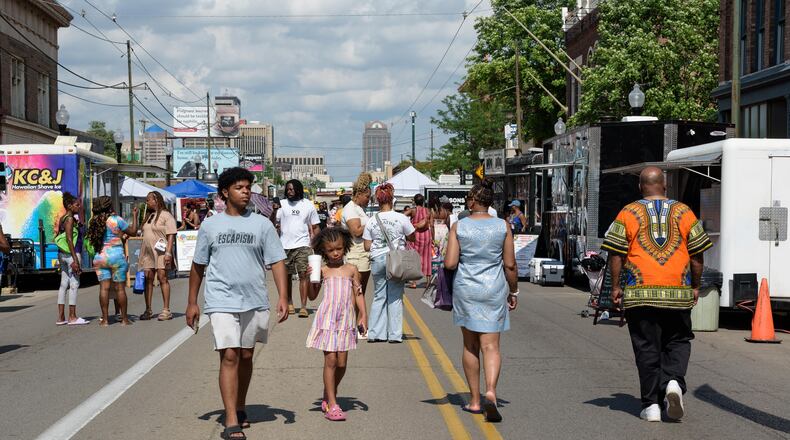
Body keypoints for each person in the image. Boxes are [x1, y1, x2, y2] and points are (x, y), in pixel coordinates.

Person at [602, 166, 712, 423]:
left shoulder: (628, 212)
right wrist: (695, 286)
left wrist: (616, 287)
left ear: (640, 187)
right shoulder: (684, 212)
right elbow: (697, 254)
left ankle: (651, 405)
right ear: (665, 185)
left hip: (640, 293)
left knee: (646, 346)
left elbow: (616, 253)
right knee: (678, 340)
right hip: (678, 293)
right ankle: (673, 381)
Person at [186, 167, 289, 440]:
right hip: (221, 298)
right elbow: (198, 265)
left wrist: (284, 296)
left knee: (246, 355)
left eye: (248, 188)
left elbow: (277, 261)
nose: (246, 192)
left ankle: (240, 406)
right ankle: (231, 419)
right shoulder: (210, 226)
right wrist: (192, 303)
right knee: (229, 354)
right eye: (240, 188)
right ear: (225, 192)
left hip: (254, 298)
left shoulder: (262, 225)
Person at [444, 178, 518, 423]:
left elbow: (450, 263)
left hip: (467, 288)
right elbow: (509, 264)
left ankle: (475, 401)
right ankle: (491, 391)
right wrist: (513, 290)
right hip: (494, 288)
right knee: (491, 346)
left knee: (470, 346)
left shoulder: (459, 226)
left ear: (472, 201)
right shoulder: (503, 226)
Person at [305, 228, 367, 421]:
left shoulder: (352, 270)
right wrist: (309, 279)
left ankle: (328, 391)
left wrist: (363, 315)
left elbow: (358, 294)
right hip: (328, 318)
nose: (335, 253)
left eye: (339, 248)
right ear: (324, 252)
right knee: (330, 361)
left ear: (345, 247)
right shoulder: (323, 270)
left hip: (346, 320)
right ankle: (332, 403)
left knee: (342, 363)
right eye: (330, 250)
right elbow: (312, 296)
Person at [363, 183, 415, 343]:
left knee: (379, 296)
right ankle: (394, 334)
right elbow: (412, 236)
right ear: (392, 199)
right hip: (396, 260)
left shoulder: (372, 220)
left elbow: (366, 246)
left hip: (377, 259)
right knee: (395, 297)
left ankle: (376, 333)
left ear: (377, 200)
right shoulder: (401, 218)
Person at [270, 179, 320, 318]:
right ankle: (290, 302)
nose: (289, 191)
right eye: (287, 189)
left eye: (292, 189)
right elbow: (272, 223)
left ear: (298, 189)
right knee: (287, 276)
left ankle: (303, 306)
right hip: (284, 246)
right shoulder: (282, 204)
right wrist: (274, 211)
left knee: (304, 275)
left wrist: (317, 244)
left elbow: (315, 226)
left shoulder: (308, 205)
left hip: (303, 245)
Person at [87, 196, 138, 326]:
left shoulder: (93, 221)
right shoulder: (116, 220)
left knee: (104, 289)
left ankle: (105, 320)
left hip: (100, 257)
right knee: (120, 289)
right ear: (110, 206)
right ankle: (125, 319)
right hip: (116, 257)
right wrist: (135, 215)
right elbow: (133, 232)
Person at [138, 191, 177, 321]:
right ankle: (148, 309)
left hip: (161, 251)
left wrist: (168, 252)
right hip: (148, 251)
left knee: (162, 277)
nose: (147, 202)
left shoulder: (166, 215)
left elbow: (171, 234)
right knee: (148, 277)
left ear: (156, 200)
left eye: (148, 199)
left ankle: (166, 310)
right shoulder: (149, 216)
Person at [55, 192, 88, 325]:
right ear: (69, 205)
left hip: (62, 254)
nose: (79, 206)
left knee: (63, 284)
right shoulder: (69, 219)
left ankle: (61, 317)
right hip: (71, 255)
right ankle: (72, 317)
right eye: (76, 205)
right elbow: (69, 239)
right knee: (74, 284)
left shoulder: (64, 218)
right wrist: (75, 259)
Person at [341, 173, 372, 307]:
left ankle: (357, 322)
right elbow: (357, 231)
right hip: (355, 255)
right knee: (355, 293)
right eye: (367, 197)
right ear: (358, 194)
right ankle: (352, 323)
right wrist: (373, 224)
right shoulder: (350, 209)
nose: (368, 200)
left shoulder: (359, 209)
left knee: (360, 293)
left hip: (362, 254)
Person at [408, 194, 432, 288]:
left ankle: (414, 282)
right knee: (427, 257)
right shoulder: (428, 211)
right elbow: (431, 225)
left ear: (414, 201)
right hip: (426, 235)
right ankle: (428, 281)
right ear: (423, 201)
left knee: (415, 258)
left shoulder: (413, 210)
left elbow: (402, 215)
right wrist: (432, 238)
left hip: (415, 235)